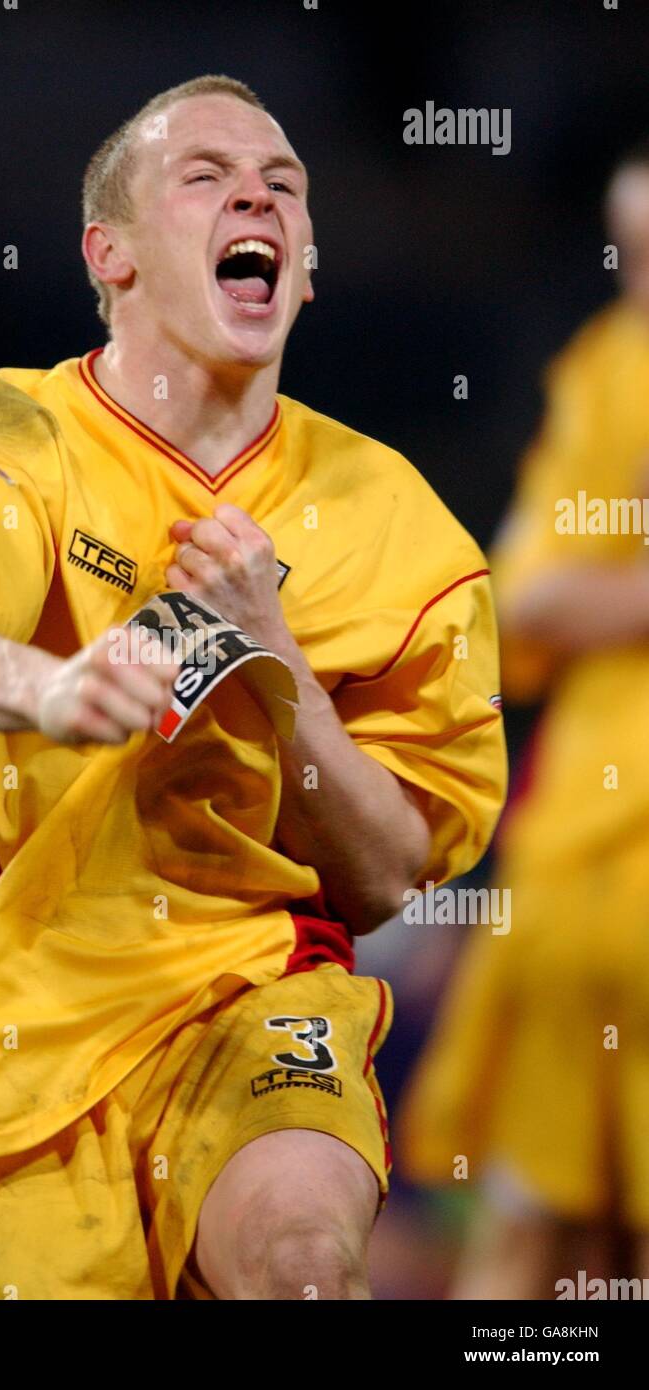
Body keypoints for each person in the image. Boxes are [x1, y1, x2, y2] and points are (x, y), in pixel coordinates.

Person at [0, 74, 506, 1301]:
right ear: (109, 255)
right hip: (25, 1021)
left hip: (263, 983)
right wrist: (49, 691)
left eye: (283, 185)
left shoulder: (403, 535)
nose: (254, 193)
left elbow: (382, 874)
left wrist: (277, 672)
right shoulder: (5, 444)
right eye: (203, 177)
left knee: (302, 1267)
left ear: (302, 266)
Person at [397, 138, 649, 1299]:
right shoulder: (606, 371)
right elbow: (528, 591)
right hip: (584, 876)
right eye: (628, 253)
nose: (638, 280)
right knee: (536, 1232)